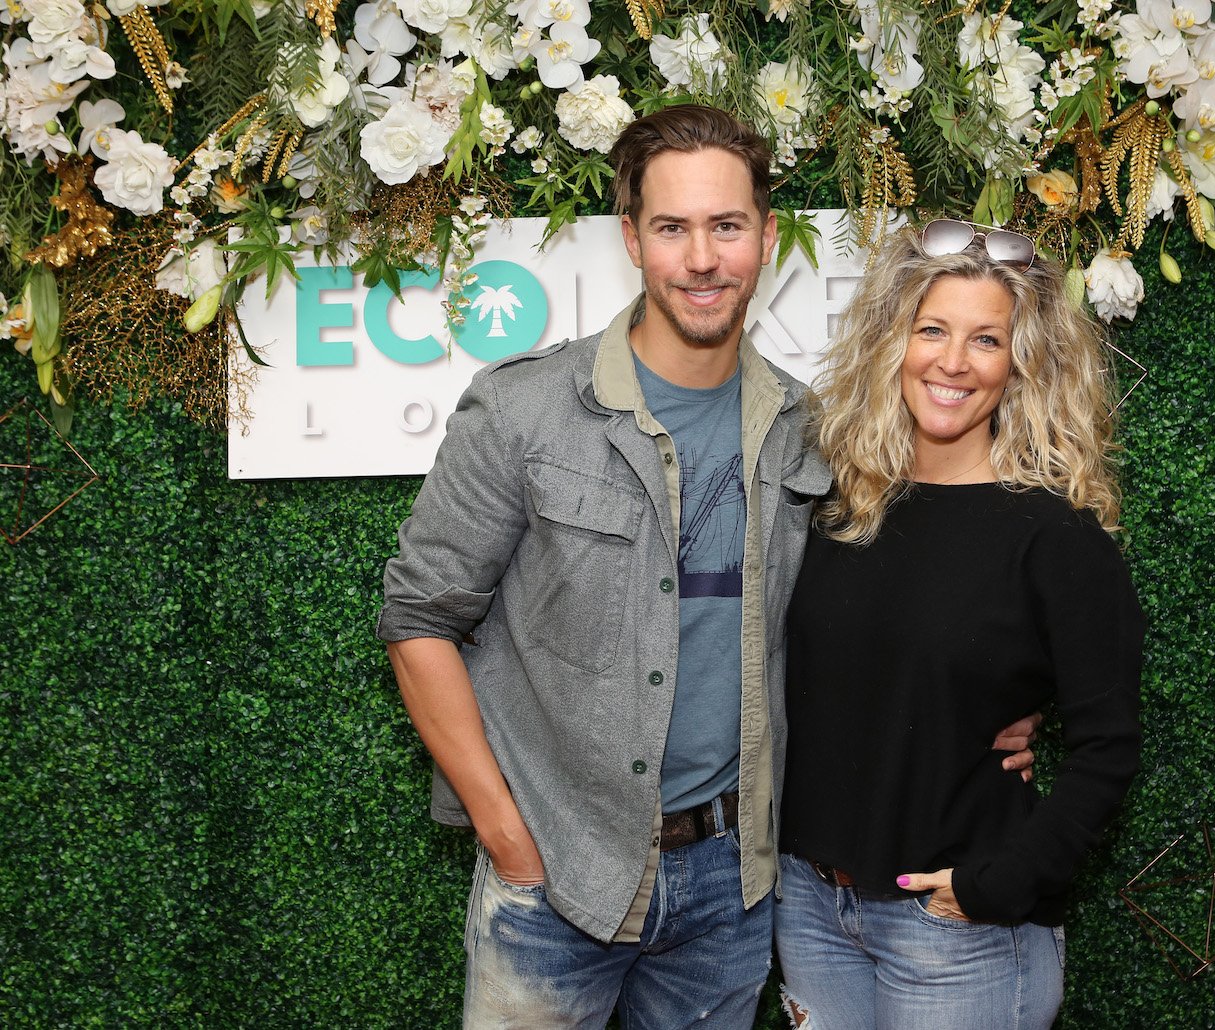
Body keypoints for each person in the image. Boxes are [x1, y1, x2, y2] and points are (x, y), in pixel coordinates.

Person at [377, 108, 1038, 1029]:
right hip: (556, 878)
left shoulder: (816, 431)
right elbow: (418, 618)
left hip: (732, 890)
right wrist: (504, 833)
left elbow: (904, 599)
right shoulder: (524, 411)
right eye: (672, 228)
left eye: (726, 227)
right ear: (632, 239)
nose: (701, 259)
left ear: (766, 237)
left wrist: (1013, 700)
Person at [774, 221, 1145, 1029]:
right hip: (809, 910)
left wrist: (998, 885)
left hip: (957, 936)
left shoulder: (1057, 539)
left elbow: (1109, 749)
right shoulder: (835, 508)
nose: (952, 361)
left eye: (986, 338)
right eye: (931, 329)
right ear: (891, 342)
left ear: (1021, 364)